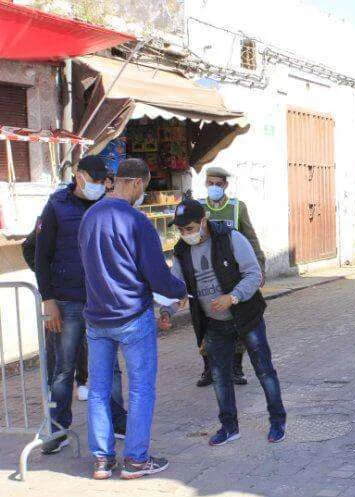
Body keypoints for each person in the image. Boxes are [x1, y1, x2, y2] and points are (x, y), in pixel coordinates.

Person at [79, 158, 187, 480]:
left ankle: (102, 460)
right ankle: (136, 461)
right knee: (140, 388)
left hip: (97, 318)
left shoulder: (89, 216)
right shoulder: (137, 221)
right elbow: (157, 274)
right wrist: (180, 290)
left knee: (98, 390)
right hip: (132, 317)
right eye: (145, 187)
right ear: (138, 183)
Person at [158, 199, 287, 446]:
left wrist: (233, 297)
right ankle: (229, 427)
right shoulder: (181, 252)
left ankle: (278, 421)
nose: (186, 234)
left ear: (203, 221)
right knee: (220, 377)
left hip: (246, 317)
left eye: (190, 228)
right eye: (181, 230)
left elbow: (254, 274)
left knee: (264, 370)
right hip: (214, 324)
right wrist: (167, 312)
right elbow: (178, 290)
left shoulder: (230, 238)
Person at [34, 155, 127, 455]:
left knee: (111, 366)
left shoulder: (107, 205)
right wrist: (48, 299)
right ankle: (57, 428)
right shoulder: (56, 207)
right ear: (78, 174)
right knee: (63, 369)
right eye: (94, 179)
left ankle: (118, 421)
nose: (98, 185)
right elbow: (40, 256)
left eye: (102, 180)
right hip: (67, 300)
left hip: (102, 301)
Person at [196, 166, 266, 387]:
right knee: (204, 323)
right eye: (210, 183)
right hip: (205, 275)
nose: (214, 187)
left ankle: (236, 368)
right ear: (205, 183)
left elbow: (251, 239)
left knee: (237, 322)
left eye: (218, 184)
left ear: (225, 185)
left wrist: (259, 267)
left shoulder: (237, 208)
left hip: (231, 275)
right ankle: (209, 368)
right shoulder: (198, 207)